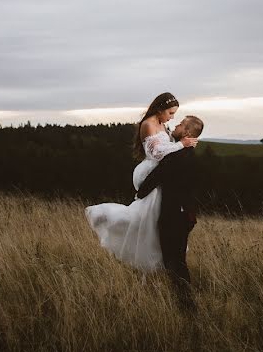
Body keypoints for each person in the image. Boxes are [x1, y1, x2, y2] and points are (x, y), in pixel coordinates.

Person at [84, 93, 197, 272]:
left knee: (152, 215)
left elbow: (169, 149)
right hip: (149, 170)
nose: (172, 117)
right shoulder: (148, 124)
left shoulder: (162, 124)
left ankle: (159, 255)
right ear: (160, 109)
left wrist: (184, 144)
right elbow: (157, 153)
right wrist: (181, 145)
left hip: (158, 171)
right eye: (170, 113)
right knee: (144, 214)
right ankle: (105, 217)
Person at [136, 115, 204, 313]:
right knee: (175, 261)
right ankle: (184, 304)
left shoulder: (178, 155)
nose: (176, 125)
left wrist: (139, 194)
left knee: (174, 262)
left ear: (188, 133)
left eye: (181, 124)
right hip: (185, 215)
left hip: (174, 216)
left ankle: (187, 307)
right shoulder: (187, 153)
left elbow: (157, 176)